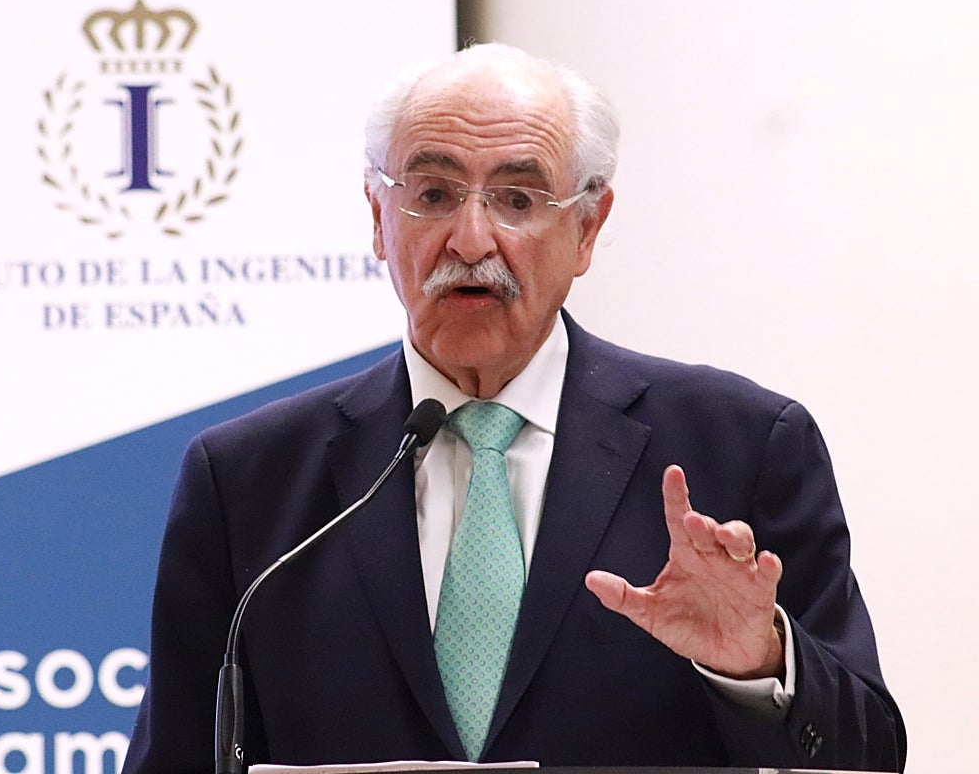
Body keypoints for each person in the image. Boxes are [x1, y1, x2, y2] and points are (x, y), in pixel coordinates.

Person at [123, 43, 906, 773]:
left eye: (518, 198)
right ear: (377, 218)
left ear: (587, 228)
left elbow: (872, 754)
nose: (471, 239)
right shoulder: (248, 481)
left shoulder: (742, 448)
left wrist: (759, 663)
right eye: (431, 194)